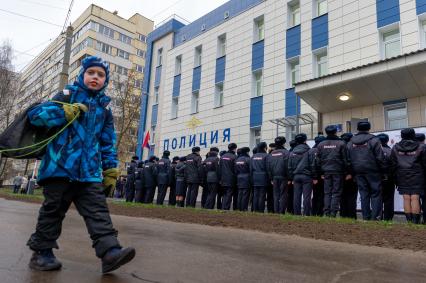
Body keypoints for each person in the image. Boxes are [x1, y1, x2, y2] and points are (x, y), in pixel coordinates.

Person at [26, 56, 135, 273]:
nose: (95, 77)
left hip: (90, 173)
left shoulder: (105, 109)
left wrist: (111, 169)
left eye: (101, 75)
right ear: (82, 75)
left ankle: (110, 253)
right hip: (59, 168)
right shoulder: (67, 95)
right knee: (53, 211)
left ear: (106, 81)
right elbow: (35, 116)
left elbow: (107, 143)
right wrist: (64, 111)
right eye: (91, 73)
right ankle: (41, 253)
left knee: (98, 211)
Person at [347, 121, 386, 221]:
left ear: (358, 129)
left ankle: (366, 217)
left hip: (358, 171)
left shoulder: (351, 142)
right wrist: (384, 171)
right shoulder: (374, 140)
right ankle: (376, 218)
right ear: (369, 128)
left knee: (364, 194)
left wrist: (352, 171)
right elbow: (380, 157)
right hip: (373, 171)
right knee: (376, 193)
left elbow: (348, 158)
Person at [390, 128, 426, 224]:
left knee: (406, 198)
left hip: (401, 175)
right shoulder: (421, 147)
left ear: (402, 136)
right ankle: (415, 222)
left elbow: (393, 165)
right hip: (417, 176)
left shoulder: (395, 147)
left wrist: (395, 178)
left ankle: (409, 222)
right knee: (415, 198)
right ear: (413, 135)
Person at [317, 125, 349, 217]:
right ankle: (333, 213)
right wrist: (346, 172)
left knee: (327, 192)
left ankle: (327, 212)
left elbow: (318, 160)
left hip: (326, 171)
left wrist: (321, 173)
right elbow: (345, 159)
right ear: (336, 132)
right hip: (338, 171)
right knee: (336, 192)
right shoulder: (341, 143)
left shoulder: (321, 144)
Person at [288, 134, 317, 216]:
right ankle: (306, 214)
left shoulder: (292, 152)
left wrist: (291, 178)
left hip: (296, 176)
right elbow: (312, 165)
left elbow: (289, 167)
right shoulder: (309, 151)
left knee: (296, 196)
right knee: (307, 196)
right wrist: (314, 177)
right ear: (305, 141)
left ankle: (297, 213)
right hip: (307, 176)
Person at [267, 137, 290, 214]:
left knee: (276, 195)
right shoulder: (286, 152)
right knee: (283, 194)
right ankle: (281, 211)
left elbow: (268, 167)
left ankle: (276, 211)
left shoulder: (271, 154)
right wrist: (289, 178)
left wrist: (271, 178)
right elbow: (288, 166)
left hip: (274, 178)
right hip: (284, 177)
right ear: (284, 143)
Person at [340, 132, 358, 219]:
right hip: (351, 176)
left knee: (342, 197)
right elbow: (354, 162)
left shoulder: (338, 147)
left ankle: (343, 215)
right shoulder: (353, 148)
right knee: (351, 197)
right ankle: (352, 216)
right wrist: (351, 173)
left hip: (340, 175)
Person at [377, 133, 395, 221]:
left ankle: (378, 217)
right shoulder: (391, 151)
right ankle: (388, 218)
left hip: (376, 178)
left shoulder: (374, 151)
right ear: (387, 140)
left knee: (377, 198)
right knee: (389, 200)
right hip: (389, 178)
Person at [251, 142, 269, 213]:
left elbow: (250, 169)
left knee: (255, 195)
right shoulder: (266, 156)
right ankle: (261, 210)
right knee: (262, 195)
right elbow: (268, 168)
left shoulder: (253, 156)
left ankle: (255, 210)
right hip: (263, 177)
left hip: (255, 177)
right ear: (265, 147)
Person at [219, 143, 238, 210]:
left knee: (224, 194)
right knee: (229, 194)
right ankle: (226, 208)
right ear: (234, 149)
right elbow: (235, 169)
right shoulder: (234, 157)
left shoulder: (222, 157)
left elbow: (220, 168)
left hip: (223, 178)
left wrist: (220, 179)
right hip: (231, 178)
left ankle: (223, 207)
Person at [311, 135, 325, 216]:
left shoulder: (310, 151)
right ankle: (320, 213)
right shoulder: (322, 150)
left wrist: (313, 177)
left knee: (315, 195)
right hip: (321, 176)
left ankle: (313, 212)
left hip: (313, 177)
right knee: (321, 195)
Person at [235, 147, 251, 211]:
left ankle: (239, 207)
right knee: (245, 194)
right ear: (247, 152)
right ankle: (244, 208)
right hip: (246, 177)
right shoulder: (248, 159)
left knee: (240, 193)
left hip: (239, 177)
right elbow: (250, 169)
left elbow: (235, 170)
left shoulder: (237, 160)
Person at [415, 133, 426, 224]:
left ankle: (416, 220)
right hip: (423, 177)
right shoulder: (424, 147)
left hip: (413, 177)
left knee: (415, 199)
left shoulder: (411, 148)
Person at [266, 143, 275, 213]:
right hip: (273, 178)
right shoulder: (273, 155)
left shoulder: (268, 155)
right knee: (274, 195)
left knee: (269, 195)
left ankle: (269, 209)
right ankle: (273, 209)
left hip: (268, 179)